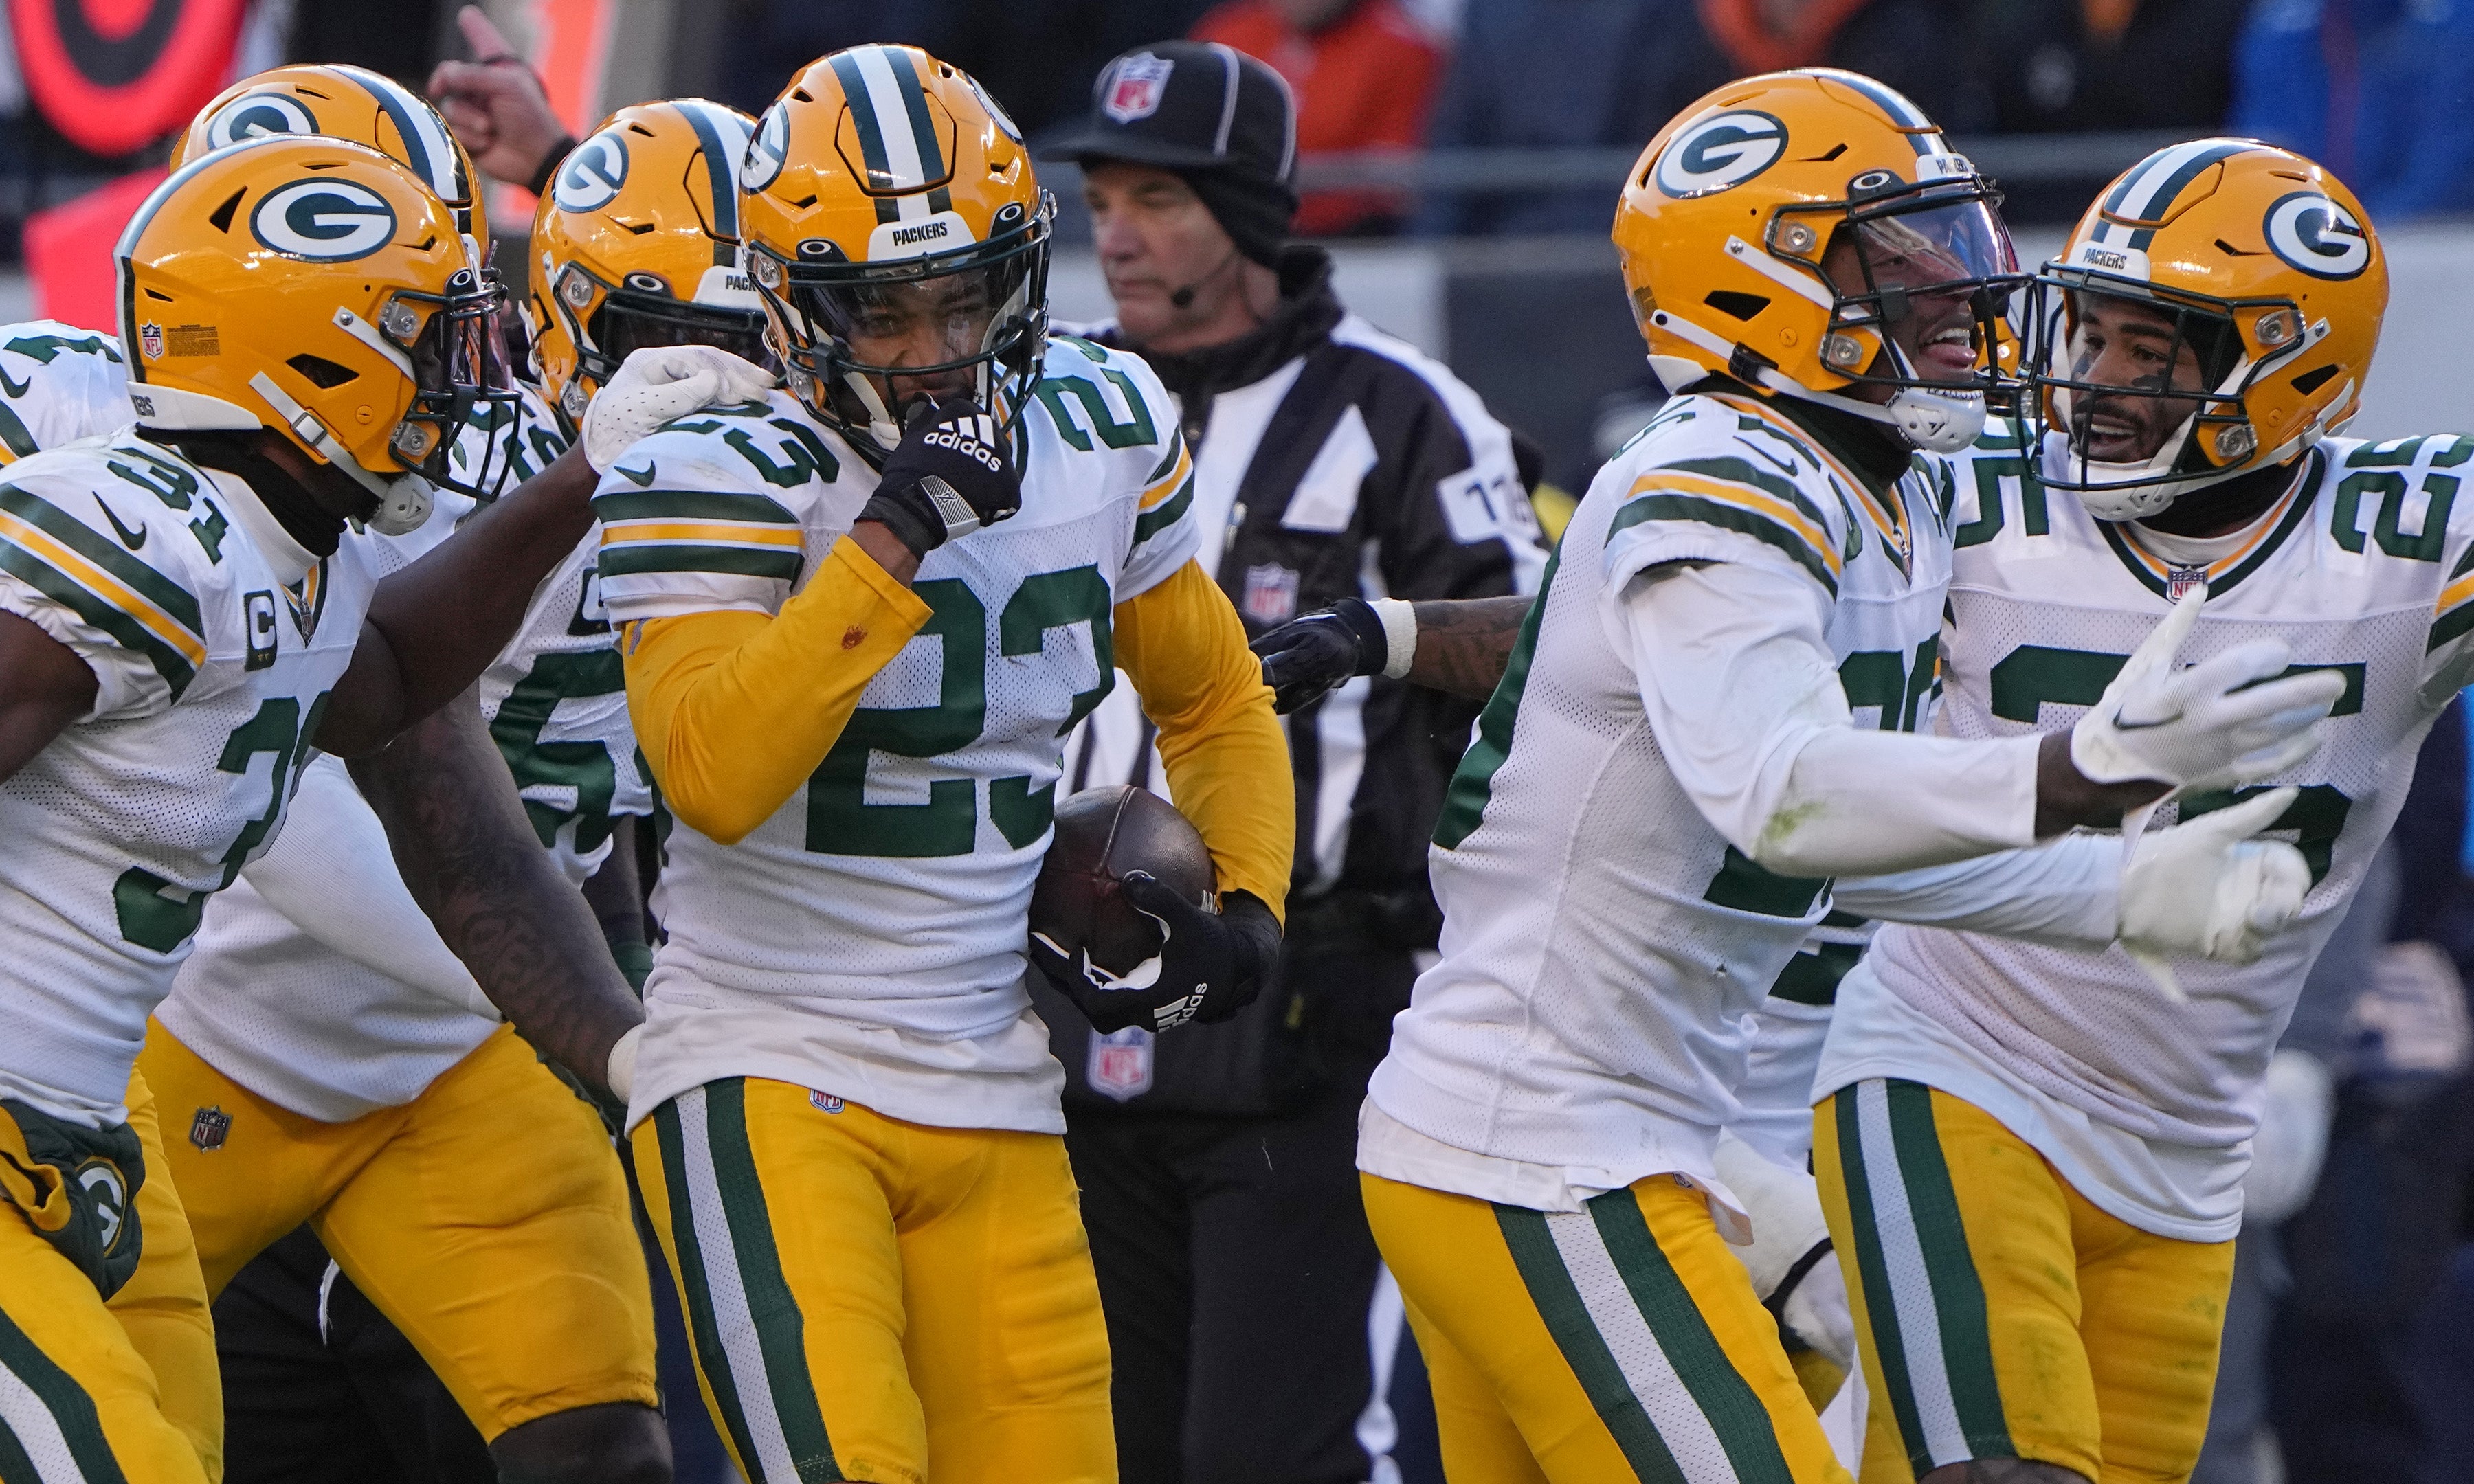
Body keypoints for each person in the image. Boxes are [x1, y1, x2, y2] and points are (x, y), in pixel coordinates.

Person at [1311, 69, 2341, 1481]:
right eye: (1900, 263)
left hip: (1620, 1138)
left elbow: (1859, 831)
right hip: (1545, 1147)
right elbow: (1781, 800)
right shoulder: (1719, 483)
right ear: (1752, 287)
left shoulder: (1884, 485)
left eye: (1952, 250)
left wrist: (2114, 894)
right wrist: (2081, 770)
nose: (1957, 295)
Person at [597, 44, 1294, 1484]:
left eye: (966, 296)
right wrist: (890, 541)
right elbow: (711, 773)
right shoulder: (716, 467)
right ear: (793, 308)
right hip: (764, 1070)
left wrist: (1249, 904)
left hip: (990, 1079)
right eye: (884, 311)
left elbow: (1216, 695)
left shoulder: (1100, 423)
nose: (935, 350)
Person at [0, 131, 716, 1482]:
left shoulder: (299, 559)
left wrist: (586, 470)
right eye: (426, 341)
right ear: (314, 356)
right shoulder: (133, 538)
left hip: (91, 1144)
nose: (462, 380)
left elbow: (391, 693)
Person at [1035, 37, 1541, 1483]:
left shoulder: (1401, 413)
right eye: (1103, 196)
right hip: (1060, 1009)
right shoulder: (1065, 403)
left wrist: (1377, 636)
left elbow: (1545, 653)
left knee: (1274, 1455)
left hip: (1308, 1014)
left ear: (1254, 214)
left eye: (1159, 200)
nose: (1115, 234)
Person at [1188, 0, 1450, 235]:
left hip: (1353, 242)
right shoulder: (1226, 35)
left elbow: (1391, 181)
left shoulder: (1402, 47)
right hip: (1234, 231)